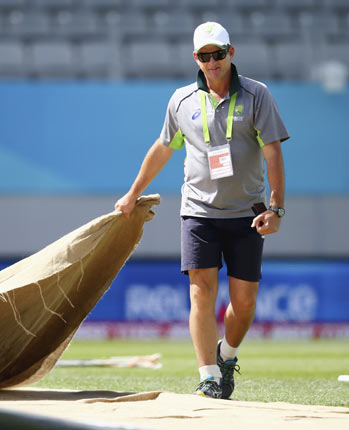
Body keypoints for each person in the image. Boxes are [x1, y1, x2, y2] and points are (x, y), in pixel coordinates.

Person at [115, 22, 289, 399]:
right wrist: (132, 193)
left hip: (248, 213)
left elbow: (273, 151)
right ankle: (209, 376)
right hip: (198, 212)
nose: (212, 61)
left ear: (231, 52)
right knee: (200, 292)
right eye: (204, 56)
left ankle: (226, 355)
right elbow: (163, 147)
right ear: (196, 58)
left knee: (243, 305)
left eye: (218, 53)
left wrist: (276, 208)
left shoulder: (257, 95)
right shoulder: (180, 100)